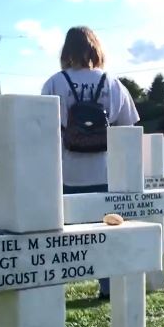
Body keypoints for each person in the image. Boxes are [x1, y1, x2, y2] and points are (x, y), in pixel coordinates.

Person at [42, 25, 139, 300]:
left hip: (66, 170)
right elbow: (129, 129)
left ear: (67, 50)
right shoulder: (112, 83)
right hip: (106, 171)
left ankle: (56, 285)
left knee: (63, 233)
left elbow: (41, 127)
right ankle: (108, 286)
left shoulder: (54, 83)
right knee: (107, 231)